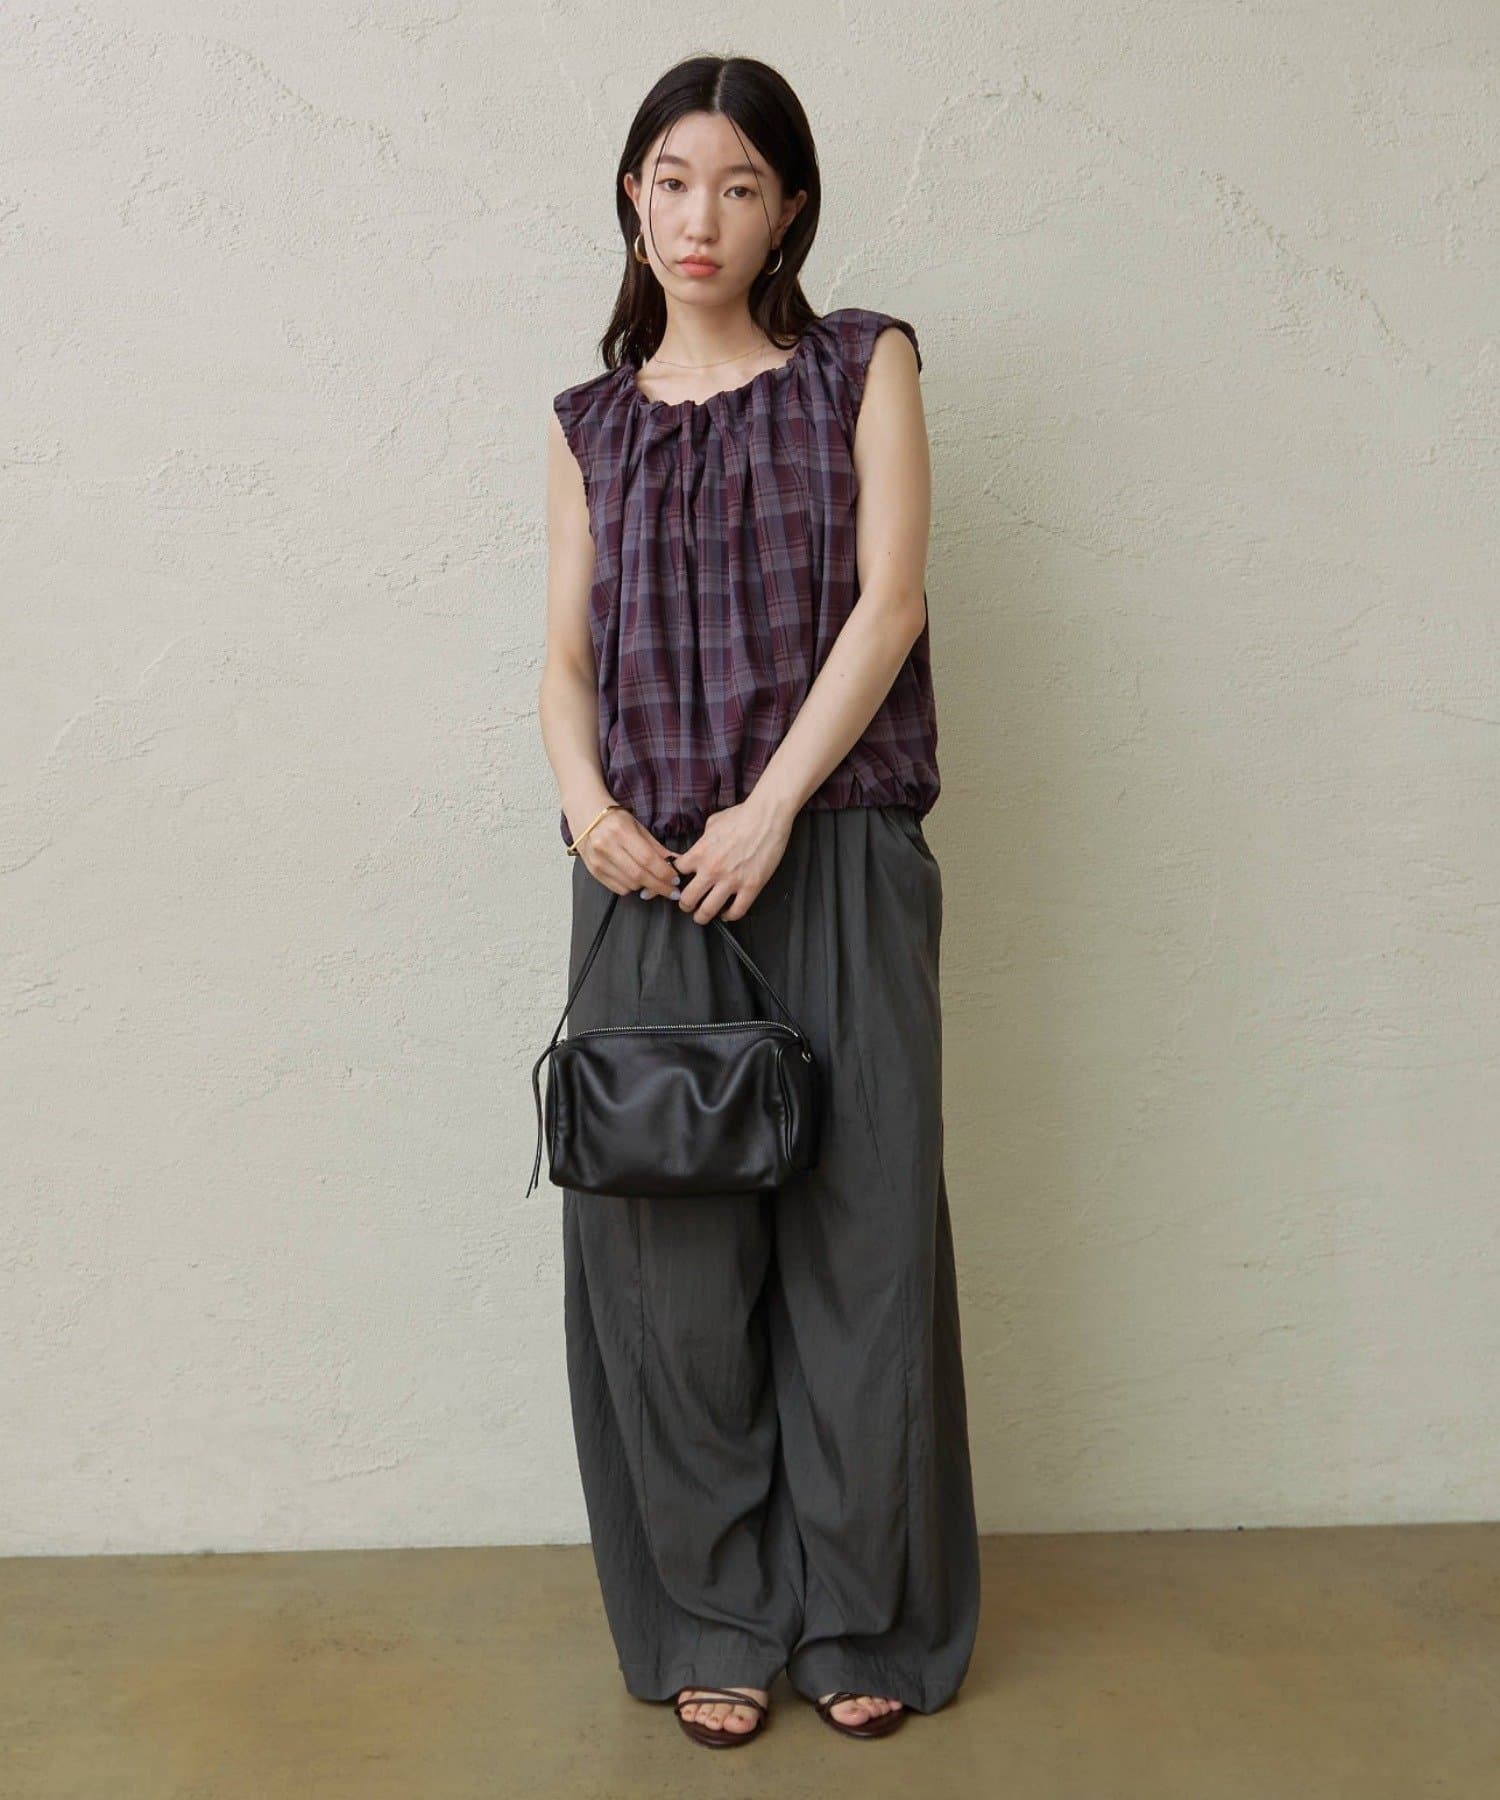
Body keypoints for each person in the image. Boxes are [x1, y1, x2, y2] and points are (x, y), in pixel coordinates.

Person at [537, 53, 980, 1750]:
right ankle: (716, 1617)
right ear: (631, 196)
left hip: (838, 852)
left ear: (788, 205)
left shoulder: (864, 363)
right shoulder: (587, 425)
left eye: (736, 183)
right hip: (647, 880)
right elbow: (565, 658)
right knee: (670, 1270)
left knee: (863, 1247)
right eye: (670, 178)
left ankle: (862, 1615)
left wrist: (774, 807)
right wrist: (590, 810)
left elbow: (890, 605)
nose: (698, 215)